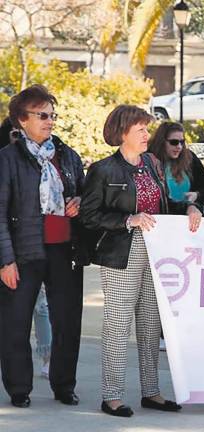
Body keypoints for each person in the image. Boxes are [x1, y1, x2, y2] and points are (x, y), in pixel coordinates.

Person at [79, 105, 203, 418]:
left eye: (147, 129)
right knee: (118, 326)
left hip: (157, 250)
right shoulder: (103, 170)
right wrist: (128, 219)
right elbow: (89, 216)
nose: (148, 135)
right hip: (122, 252)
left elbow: (160, 205)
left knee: (150, 325)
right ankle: (112, 396)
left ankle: (152, 392)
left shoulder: (152, 164)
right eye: (141, 130)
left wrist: (190, 208)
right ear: (123, 134)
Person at [0, 85, 85, 408]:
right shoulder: (7, 160)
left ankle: (64, 385)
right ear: (22, 120)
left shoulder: (67, 155)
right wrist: (5, 260)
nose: (50, 121)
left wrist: (77, 200)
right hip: (23, 253)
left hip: (64, 249)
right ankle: (19, 389)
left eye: (53, 115)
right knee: (15, 324)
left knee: (67, 323)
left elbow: (84, 195)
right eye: (43, 115)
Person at [148, 121, 204, 211]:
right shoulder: (148, 161)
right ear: (162, 142)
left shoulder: (190, 158)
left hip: (190, 217)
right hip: (162, 218)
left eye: (182, 142)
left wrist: (197, 195)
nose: (179, 146)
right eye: (174, 142)